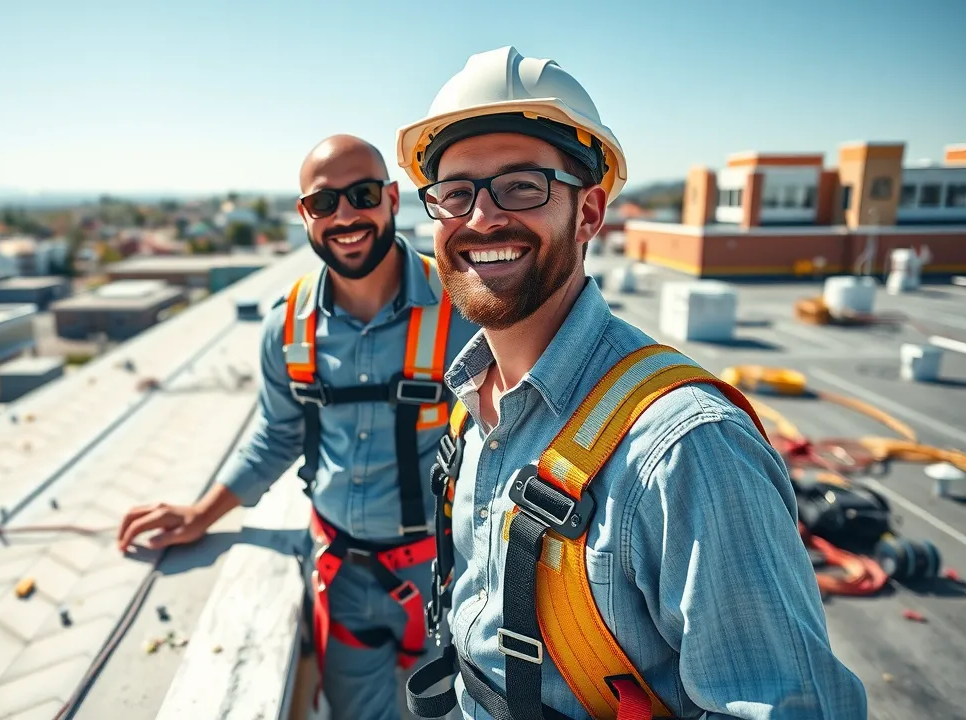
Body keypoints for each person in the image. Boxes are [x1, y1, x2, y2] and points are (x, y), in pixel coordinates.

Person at [395, 47, 867, 720]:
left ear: (589, 214)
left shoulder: (686, 450)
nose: (481, 218)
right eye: (455, 192)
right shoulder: (473, 405)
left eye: (523, 186)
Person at [117, 134, 478, 719]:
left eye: (361, 195)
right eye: (323, 202)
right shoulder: (289, 327)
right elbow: (276, 436)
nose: (345, 216)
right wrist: (199, 514)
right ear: (304, 215)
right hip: (342, 580)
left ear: (391, 198)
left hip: (447, 577)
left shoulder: (462, 309)